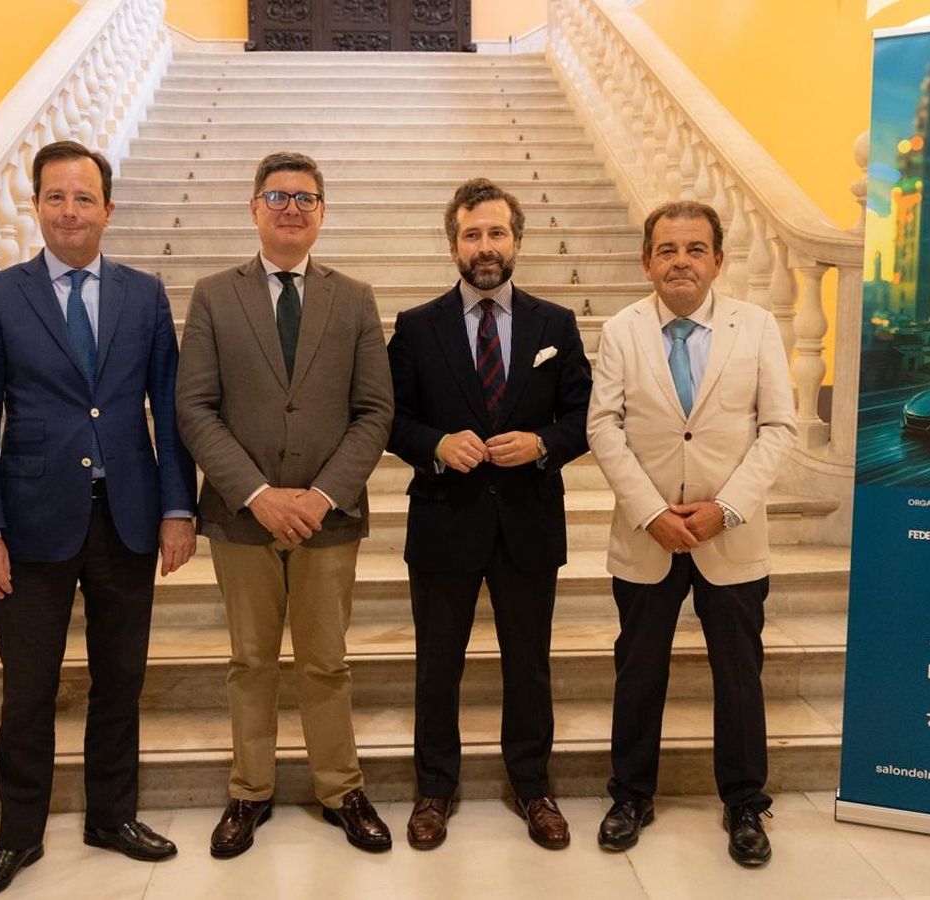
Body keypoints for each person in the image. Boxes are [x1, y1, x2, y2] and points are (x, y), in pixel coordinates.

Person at [0, 141, 197, 899]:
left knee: (119, 679)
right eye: (55, 197)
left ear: (108, 209)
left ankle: (110, 816)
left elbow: (171, 407)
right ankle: (19, 836)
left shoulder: (144, 295)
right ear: (36, 207)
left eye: (84, 198)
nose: (70, 211)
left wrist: (177, 507)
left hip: (126, 517)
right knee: (28, 688)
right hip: (28, 526)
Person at [175, 151, 394, 857]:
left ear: (323, 212)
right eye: (278, 196)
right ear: (254, 208)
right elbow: (195, 408)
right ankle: (249, 791)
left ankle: (341, 787)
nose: (292, 208)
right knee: (250, 661)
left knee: (327, 662)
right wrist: (260, 495)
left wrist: (324, 495)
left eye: (305, 198)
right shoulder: (213, 295)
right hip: (242, 519)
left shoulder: (354, 297)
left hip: (331, 521)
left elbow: (374, 411)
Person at [586, 200, 796, 866]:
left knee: (739, 675)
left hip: (729, 536)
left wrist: (725, 507)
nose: (681, 260)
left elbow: (780, 429)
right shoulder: (621, 330)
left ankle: (744, 804)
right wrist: (651, 511)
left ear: (718, 260)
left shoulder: (757, 327)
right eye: (668, 249)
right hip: (647, 535)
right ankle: (631, 795)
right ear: (647, 260)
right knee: (638, 671)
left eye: (695, 248)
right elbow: (604, 426)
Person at [386, 178, 590, 850]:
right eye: (471, 234)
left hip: (528, 520)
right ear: (453, 244)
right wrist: (436, 445)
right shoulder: (416, 328)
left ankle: (532, 785)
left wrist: (543, 445)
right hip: (445, 519)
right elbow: (390, 419)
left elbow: (586, 416)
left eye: (496, 232)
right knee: (436, 664)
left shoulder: (554, 325)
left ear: (517, 240)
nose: (484, 246)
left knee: (527, 663)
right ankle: (433, 789)